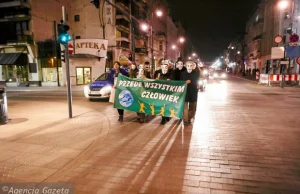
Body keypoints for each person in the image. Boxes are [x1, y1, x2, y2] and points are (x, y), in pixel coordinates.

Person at [155, 60, 172, 125]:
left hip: (167, 93)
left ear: (167, 69)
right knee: (162, 106)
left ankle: (167, 116)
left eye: (166, 68)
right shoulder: (158, 74)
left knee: (167, 105)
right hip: (160, 93)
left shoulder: (170, 74)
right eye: (163, 68)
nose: (164, 69)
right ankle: (163, 119)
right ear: (161, 68)